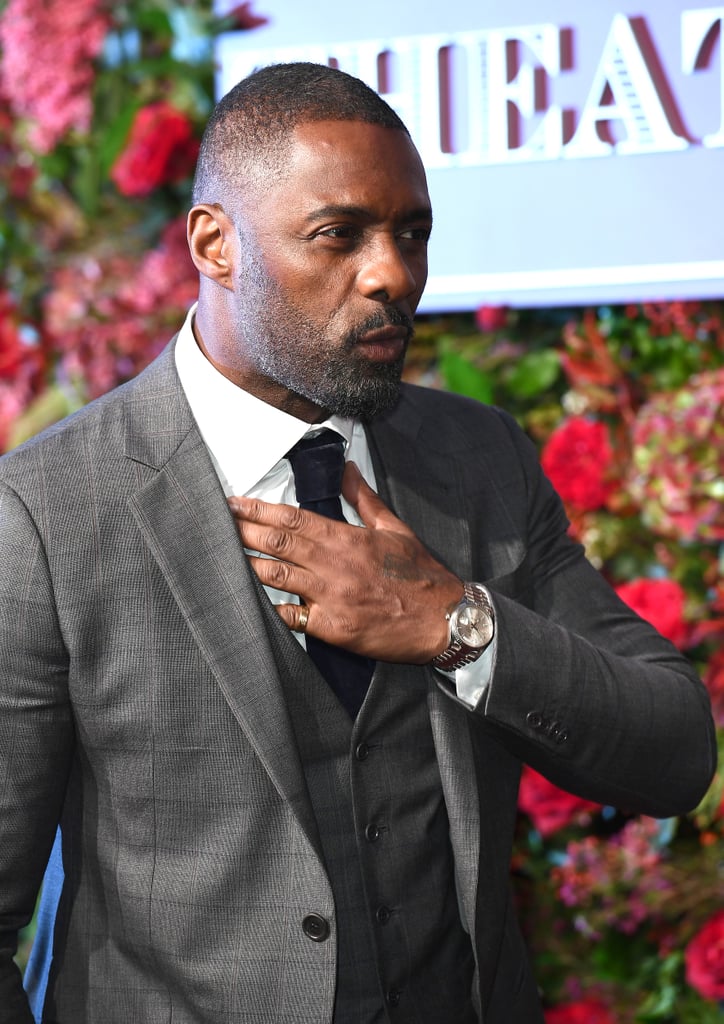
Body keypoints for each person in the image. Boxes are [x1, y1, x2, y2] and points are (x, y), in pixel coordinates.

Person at [0, 62, 715, 1024]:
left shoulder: (479, 459)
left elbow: (672, 753)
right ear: (216, 244)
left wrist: (460, 628)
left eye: (411, 233)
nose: (393, 274)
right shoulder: (46, 511)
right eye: (338, 235)